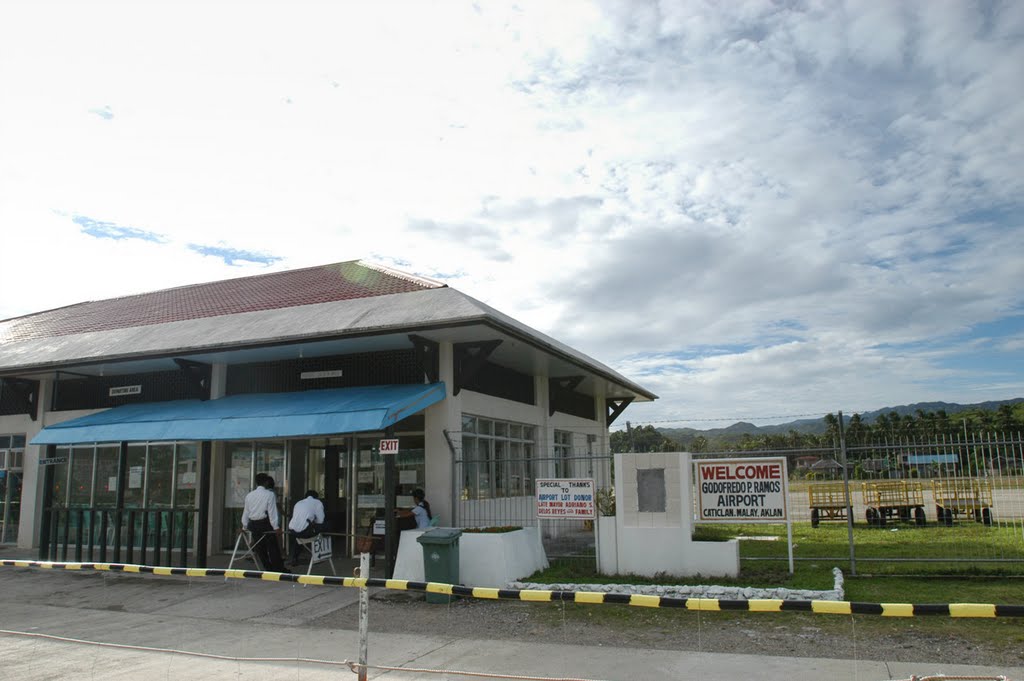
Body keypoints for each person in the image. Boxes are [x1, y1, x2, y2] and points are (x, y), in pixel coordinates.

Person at [240, 473, 287, 572]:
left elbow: (246, 512)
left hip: (253, 524)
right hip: (265, 524)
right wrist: (276, 527)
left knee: (260, 548)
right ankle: (278, 569)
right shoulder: (269, 494)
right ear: (266, 482)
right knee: (273, 547)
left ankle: (267, 568)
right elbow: (272, 512)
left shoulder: (249, 495)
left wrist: (244, 526)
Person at [288, 489, 326, 566]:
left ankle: (295, 557)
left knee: (299, 539)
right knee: (324, 526)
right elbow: (320, 520)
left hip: (292, 530)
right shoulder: (317, 502)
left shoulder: (298, 503)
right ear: (316, 497)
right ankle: (319, 555)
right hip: (304, 532)